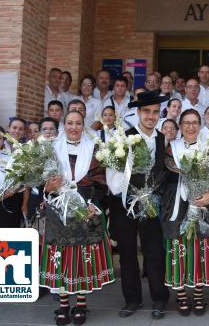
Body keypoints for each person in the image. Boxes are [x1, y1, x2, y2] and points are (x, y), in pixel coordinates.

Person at [40, 111, 115, 325]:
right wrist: (47, 187)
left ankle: (81, 303)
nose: (74, 127)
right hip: (58, 208)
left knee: (82, 255)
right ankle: (63, 304)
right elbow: (40, 182)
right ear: (64, 125)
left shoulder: (94, 149)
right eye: (70, 123)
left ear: (84, 126)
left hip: (86, 205)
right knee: (61, 255)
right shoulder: (51, 149)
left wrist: (92, 203)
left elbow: (101, 181)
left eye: (78, 123)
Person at [108, 91, 170, 319]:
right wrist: (131, 191)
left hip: (151, 203)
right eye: (146, 112)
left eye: (155, 112)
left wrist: (152, 194)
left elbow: (163, 172)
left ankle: (159, 297)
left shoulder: (163, 138)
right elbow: (113, 175)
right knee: (127, 252)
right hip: (124, 203)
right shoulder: (123, 137)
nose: (151, 116)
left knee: (154, 251)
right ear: (138, 113)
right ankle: (132, 299)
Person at [162, 109, 209, 316]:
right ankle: (182, 294)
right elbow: (162, 177)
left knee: (198, 249)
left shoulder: (208, 149)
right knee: (177, 248)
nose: (191, 127)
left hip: (200, 203)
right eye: (186, 123)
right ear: (180, 125)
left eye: (195, 123)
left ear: (200, 126)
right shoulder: (170, 149)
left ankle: (199, 292)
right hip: (175, 204)